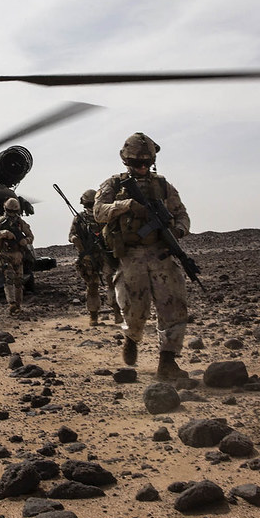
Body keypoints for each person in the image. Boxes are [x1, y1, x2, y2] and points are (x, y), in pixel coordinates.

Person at [94, 133, 190, 380]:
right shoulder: (114, 185)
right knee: (135, 309)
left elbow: (181, 213)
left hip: (160, 253)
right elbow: (99, 212)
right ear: (126, 161)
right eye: (137, 163)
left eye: (147, 162)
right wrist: (125, 205)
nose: (143, 167)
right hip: (131, 256)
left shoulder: (163, 185)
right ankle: (132, 337)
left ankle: (167, 361)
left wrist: (179, 230)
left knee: (173, 306)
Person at [69, 189, 121, 326]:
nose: (90, 207)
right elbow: (71, 235)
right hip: (88, 256)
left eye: (91, 204)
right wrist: (76, 240)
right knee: (92, 286)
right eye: (88, 204)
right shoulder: (79, 218)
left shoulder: (104, 216)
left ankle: (117, 313)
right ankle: (94, 316)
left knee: (112, 283)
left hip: (105, 254)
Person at [0, 197, 34, 315]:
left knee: (19, 281)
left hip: (18, 255)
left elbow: (30, 236)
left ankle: (18, 304)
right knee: (9, 278)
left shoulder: (21, 223)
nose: (12, 214)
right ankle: (12, 303)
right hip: (4, 254)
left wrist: (25, 241)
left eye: (14, 211)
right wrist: (4, 233)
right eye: (10, 211)